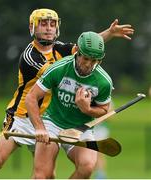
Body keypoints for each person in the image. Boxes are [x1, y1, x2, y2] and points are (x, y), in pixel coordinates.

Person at [0, 8, 134, 178]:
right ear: (32, 27)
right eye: (43, 24)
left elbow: (85, 49)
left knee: (49, 175)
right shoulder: (30, 57)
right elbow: (59, 71)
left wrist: (110, 33)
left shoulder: (60, 49)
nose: (48, 28)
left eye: (52, 24)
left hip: (47, 115)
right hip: (23, 115)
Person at [25, 31, 114, 179]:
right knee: (42, 175)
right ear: (77, 52)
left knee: (87, 166)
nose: (88, 64)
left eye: (94, 61)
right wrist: (39, 127)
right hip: (52, 124)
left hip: (81, 129)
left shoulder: (104, 81)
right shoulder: (58, 68)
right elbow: (31, 98)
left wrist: (87, 109)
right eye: (85, 58)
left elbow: (104, 110)